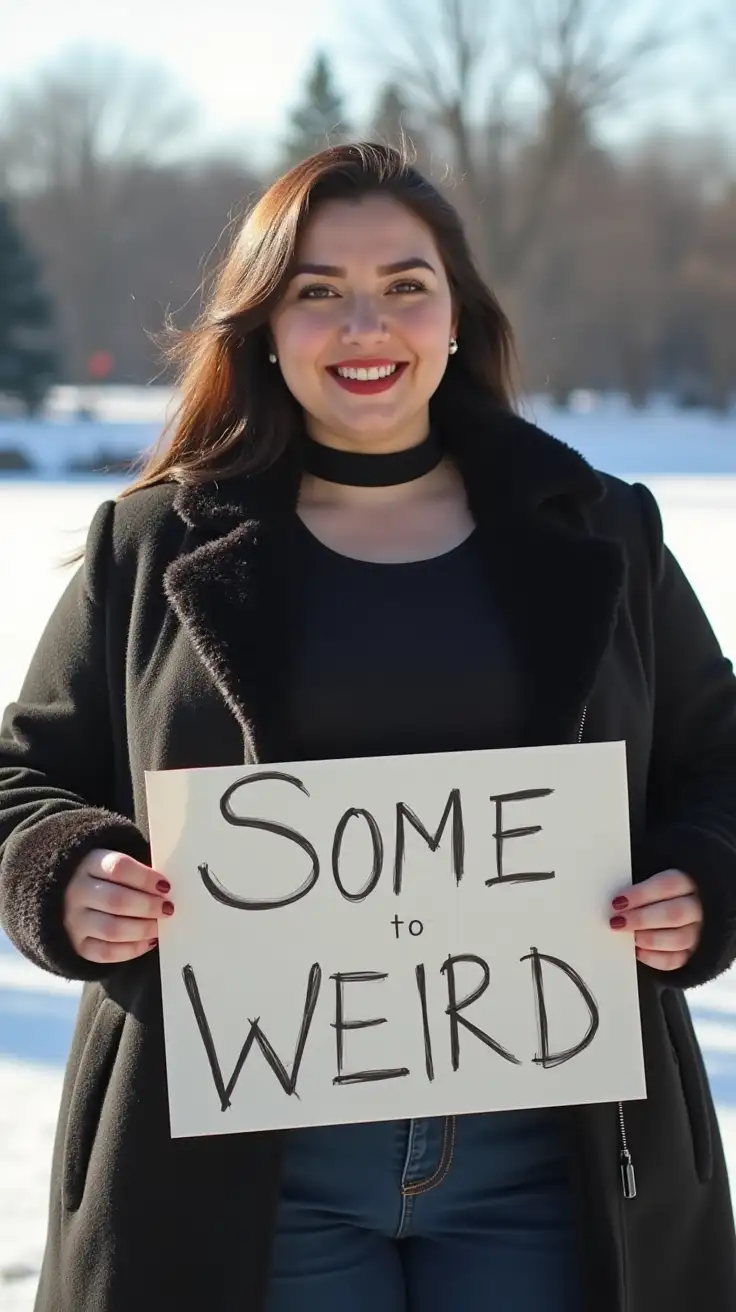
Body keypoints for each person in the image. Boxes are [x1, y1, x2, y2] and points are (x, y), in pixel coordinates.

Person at [1, 141, 735, 1312]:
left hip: (555, 1152)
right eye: (317, 292)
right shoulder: (147, 546)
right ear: (265, 326)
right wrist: (64, 872)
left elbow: (718, 762)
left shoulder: (602, 530)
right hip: (235, 1159)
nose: (365, 326)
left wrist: (704, 882)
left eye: (404, 285)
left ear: (455, 316)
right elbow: (21, 777)